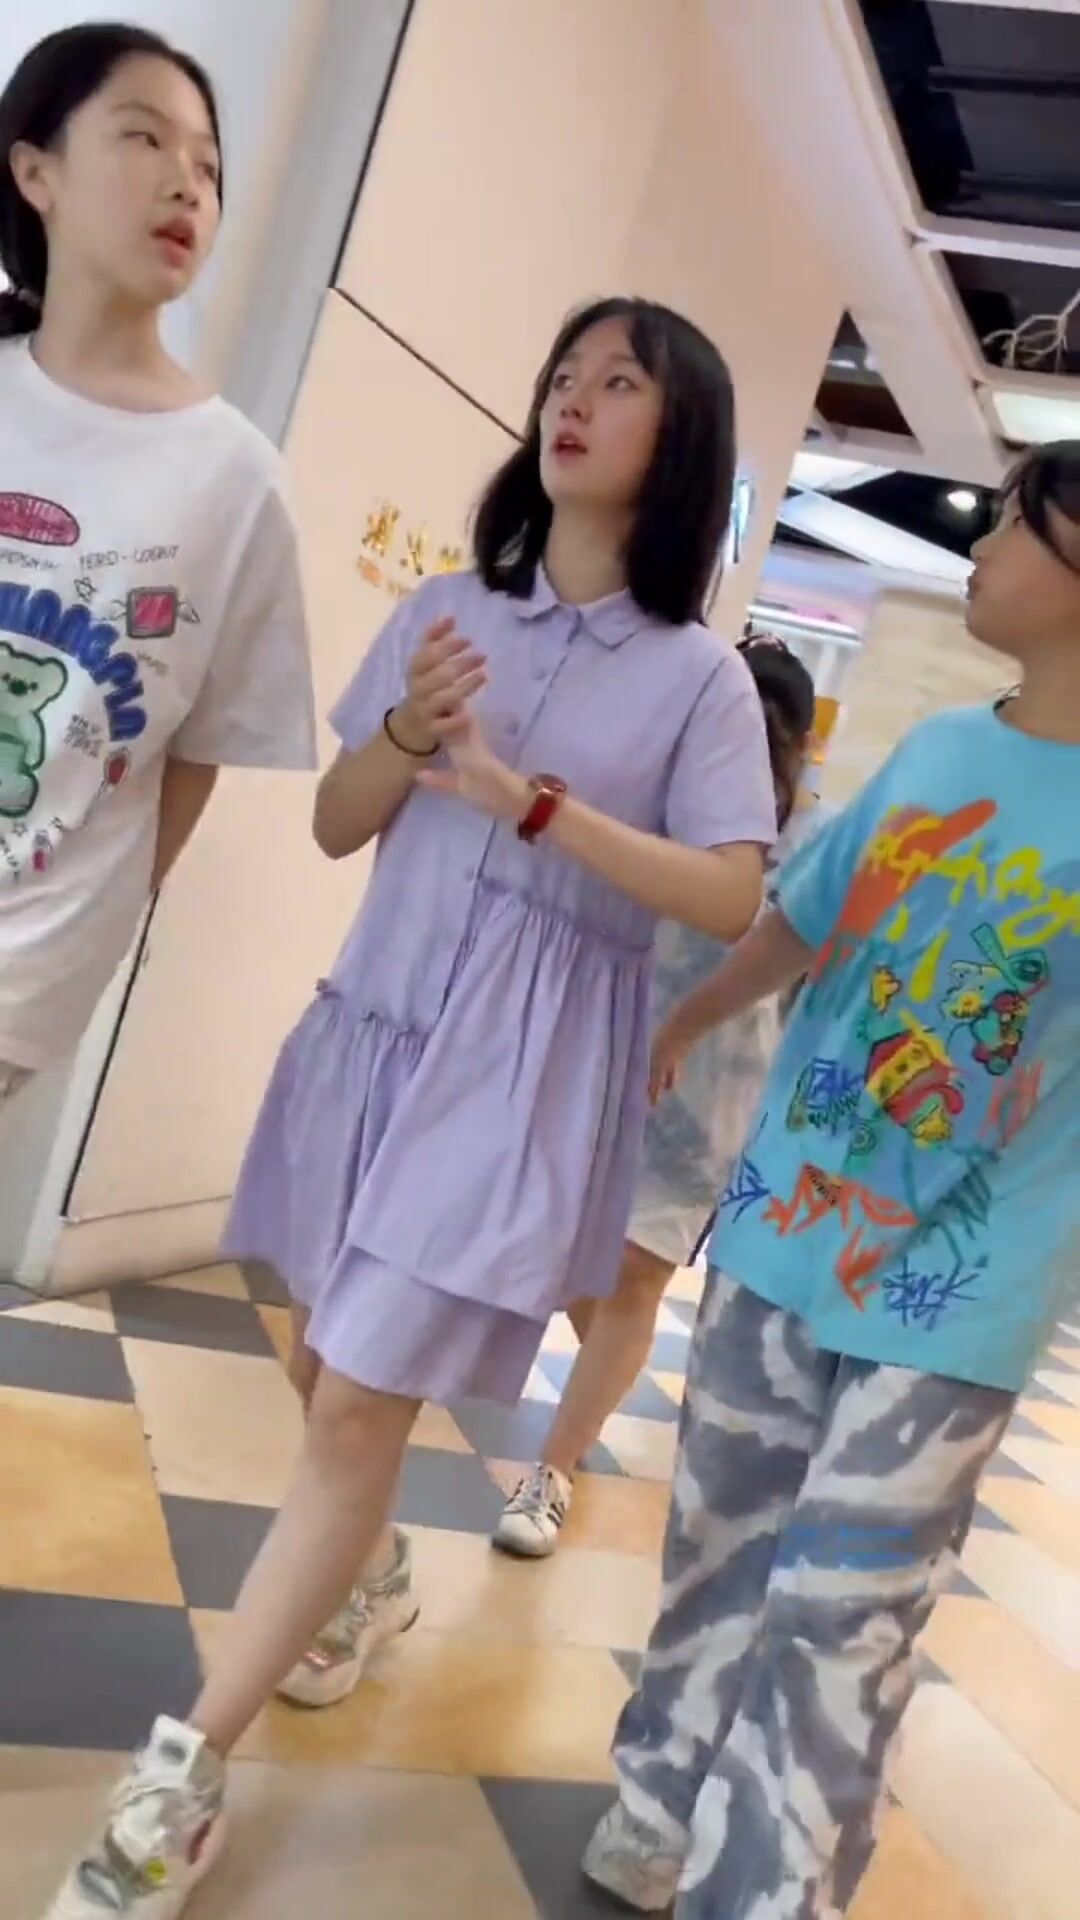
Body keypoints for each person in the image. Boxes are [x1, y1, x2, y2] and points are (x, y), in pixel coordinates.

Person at [48, 295, 778, 1916]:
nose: (573, 400)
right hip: (371, 1033)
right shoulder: (450, 612)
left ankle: (186, 1769)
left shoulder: (699, 684)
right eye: (563, 373)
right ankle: (365, 1573)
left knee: (356, 1408)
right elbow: (335, 822)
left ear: (683, 441)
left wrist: (538, 806)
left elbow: (734, 896)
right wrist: (402, 732)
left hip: (516, 1087)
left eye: (619, 383)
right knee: (324, 1361)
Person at [581, 440, 1080, 1918]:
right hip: (786, 1224)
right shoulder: (939, 755)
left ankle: (771, 1887)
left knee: (841, 1603)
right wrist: (681, 1023)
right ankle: (657, 1805)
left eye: (1012, 524)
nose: (981, 548)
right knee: (718, 1547)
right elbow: (805, 919)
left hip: (966, 1283)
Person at [0, 24, 315, 1111]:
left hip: (19, 961)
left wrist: (84, 931)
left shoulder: (234, 479)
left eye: (210, 168)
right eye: (144, 138)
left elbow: (198, 752)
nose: (187, 182)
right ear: (35, 171)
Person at [493, 637, 824, 1557]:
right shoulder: (655, 799)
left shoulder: (816, 842)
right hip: (596, 1060)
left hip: (713, 1098)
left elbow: (812, 979)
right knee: (572, 1264)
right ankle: (603, 1384)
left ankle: (553, 1468)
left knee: (636, 1275)